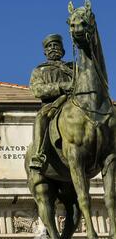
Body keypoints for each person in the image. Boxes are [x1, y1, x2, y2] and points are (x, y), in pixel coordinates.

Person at [29, 34, 74, 172]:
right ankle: (39, 154)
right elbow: (37, 90)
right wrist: (61, 86)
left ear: (63, 50)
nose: (53, 48)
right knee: (41, 118)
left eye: (56, 45)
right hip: (52, 104)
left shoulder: (73, 67)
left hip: (75, 102)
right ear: (45, 52)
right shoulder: (40, 70)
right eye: (49, 46)